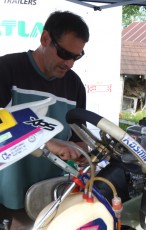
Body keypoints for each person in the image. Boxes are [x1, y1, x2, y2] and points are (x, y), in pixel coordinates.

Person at [0, 10, 89, 227]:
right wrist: (48, 142)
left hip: (54, 194)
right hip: (9, 198)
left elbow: (78, 135)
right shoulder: (6, 70)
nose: (69, 63)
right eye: (64, 54)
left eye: (76, 57)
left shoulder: (74, 84)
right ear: (45, 39)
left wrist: (82, 152)